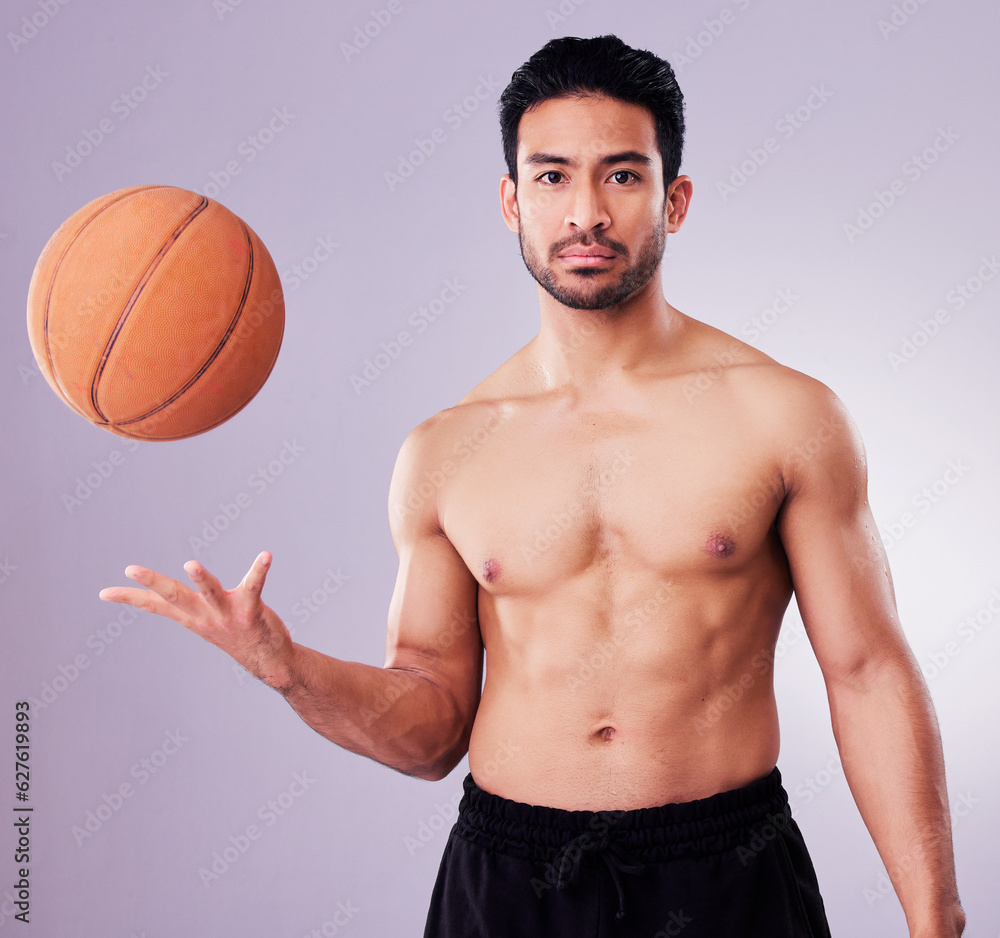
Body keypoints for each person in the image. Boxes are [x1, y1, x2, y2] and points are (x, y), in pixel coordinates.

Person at [100, 34, 965, 938]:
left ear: (676, 199)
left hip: (726, 871)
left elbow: (867, 672)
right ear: (512, 201)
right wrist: (290, 672)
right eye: (552, 177)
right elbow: (433, 726)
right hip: (508, 881)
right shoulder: (447, 451)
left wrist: (935, 920)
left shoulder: (784, 416)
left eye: (622, 176)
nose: (585, 212)